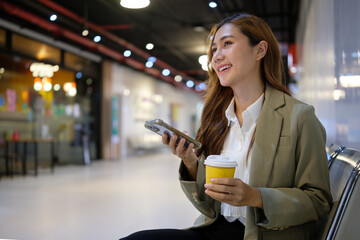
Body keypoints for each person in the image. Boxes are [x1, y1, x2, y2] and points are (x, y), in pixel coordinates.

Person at [120, 13, 332, 240]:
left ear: (260, 50)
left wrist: (256, 197)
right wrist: (190, 162)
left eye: (227, 44)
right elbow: (209, 207)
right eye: (213, 50)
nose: (216, 57)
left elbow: (318, 202)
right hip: (215, 229)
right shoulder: (218, 119)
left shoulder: (299, 116)